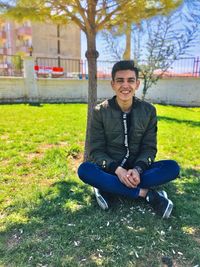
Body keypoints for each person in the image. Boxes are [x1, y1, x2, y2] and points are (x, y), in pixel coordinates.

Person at [78, 60, 180, 219]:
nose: (125, 85)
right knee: (85, 170)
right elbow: (96, 150)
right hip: (111, 169)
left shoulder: (148, 111)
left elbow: (149, 148)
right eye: (120, 80)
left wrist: (138, 170)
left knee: (172, 168)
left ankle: (107, 188)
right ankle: (146, 194)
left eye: (130, 80)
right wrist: (118, 170)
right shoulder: (100, 111)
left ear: (137, 84)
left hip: (137, 171)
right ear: (112, 84)